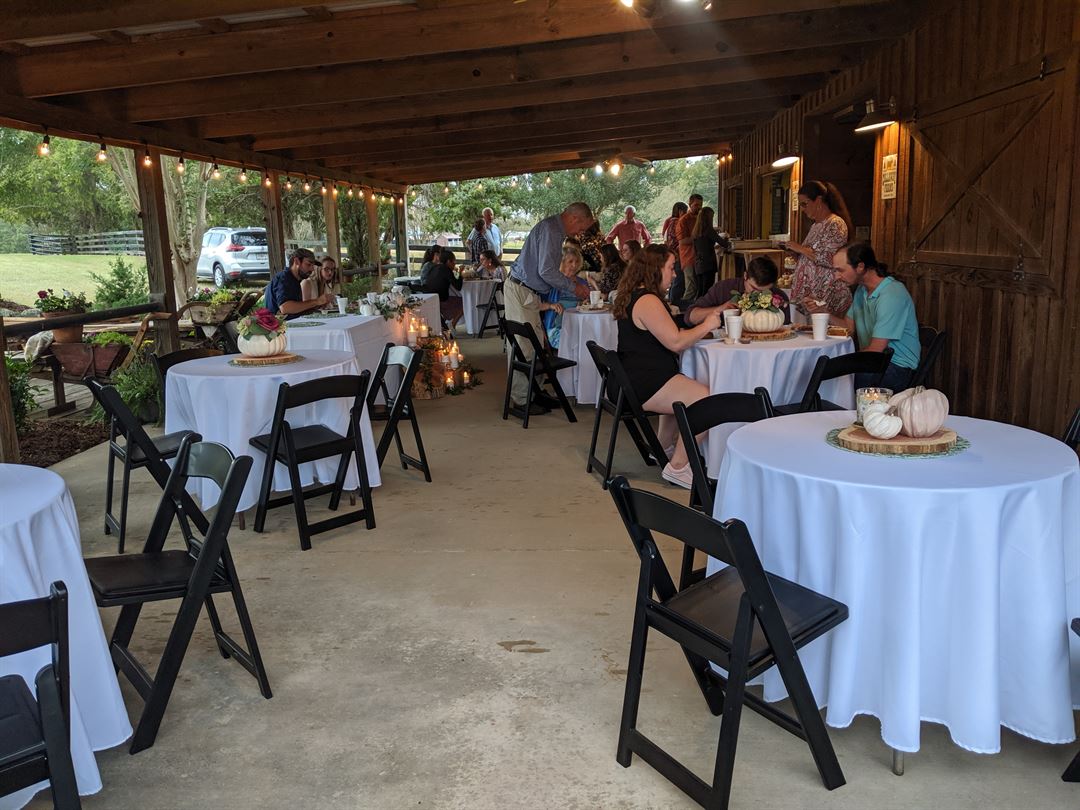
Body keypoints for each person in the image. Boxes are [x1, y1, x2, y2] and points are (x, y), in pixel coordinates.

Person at [613, 244, 721, 488]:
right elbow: (676, 342)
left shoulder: (637, 294)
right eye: (671, 268)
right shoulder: (648, 300)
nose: (674, 274)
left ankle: (661, 447)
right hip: (641, 382)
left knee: (682, 387)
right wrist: (707, 325)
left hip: (632, 377)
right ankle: (679, 466)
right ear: (655, 268)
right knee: (706, 399)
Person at [504, 202, 594, 414]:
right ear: (574, 218)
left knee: (536, 344)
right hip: (522, 290)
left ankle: (535, 392)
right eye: (581, 228)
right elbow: (546, 271)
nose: (580, 233)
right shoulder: (552, 230)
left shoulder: (553, 229)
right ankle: (522, 399)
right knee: (524, 347)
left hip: (528, 291)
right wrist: (573, 287)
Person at [810, 242, 921, 391]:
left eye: (840, 270)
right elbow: (848, 328)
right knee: (823, 374)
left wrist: (838, 363)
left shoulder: (891, 294)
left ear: (860, 267)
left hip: (897, 367)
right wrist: (823, 312)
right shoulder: (862, 290)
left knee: (833, 378)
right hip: (873, 362)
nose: (836, 276)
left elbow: (876, 349)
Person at [787, 180, 853, 317]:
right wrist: (797, 255)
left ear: (818, 200)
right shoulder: (815, 226)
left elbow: (830, 258)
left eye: (804, 204)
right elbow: (810, 257)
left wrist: (800, 249)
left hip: (826, 294)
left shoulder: (835, 224)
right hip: (810, 298)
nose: (802, 209)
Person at [685, 256, 790, 325]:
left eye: (764, 292)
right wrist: (720, 309)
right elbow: (690, 317)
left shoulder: (779, 298)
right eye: (753, 288)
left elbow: (785, 331)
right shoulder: (724, 288)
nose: (757, 295)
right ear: (745, 276)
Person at [264, 247, 332, 319]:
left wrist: (318, 305)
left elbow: (296, 309)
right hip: (280, 325)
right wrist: (316, 301)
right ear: (296, 261)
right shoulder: (284, 278)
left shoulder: (295, 279)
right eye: (309, 264)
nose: (312, 269)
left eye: (313, 265)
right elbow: (285, 308)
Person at [543, 243, 586, 349]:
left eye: (576, 261)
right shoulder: (552, 283)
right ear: (561, 262)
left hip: (579, 327)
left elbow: (589, 302)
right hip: (556, 328)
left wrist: (585, 303)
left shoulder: (582, 282)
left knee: (590, 340)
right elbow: (536, 305)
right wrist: (551, 305)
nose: (574, 265)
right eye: (570, 261)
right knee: (578, 344)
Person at [422, 248, 464, 328]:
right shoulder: (446, 269)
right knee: (465, 303)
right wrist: (460, 273)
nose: (454, 264)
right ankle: (452, 325)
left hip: (429, 298)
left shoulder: (434, 267)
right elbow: (458, 286)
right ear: (448, 261)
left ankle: (445, 324)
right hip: (441, 300)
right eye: (453, 262)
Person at [690, 207, 727, 296]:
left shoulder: (696, 231)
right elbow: (723, 243)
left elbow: (700, 247)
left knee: (700, 291)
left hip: (698, 263)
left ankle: (696, 304)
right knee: (707, 291)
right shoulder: (709, 230)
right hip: (708, 263)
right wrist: (726, 237)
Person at [676, 194, 704, 303]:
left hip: (699, 257)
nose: (699, 207)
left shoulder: (701, 218)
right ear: (690, 204)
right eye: (696, 205)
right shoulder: (684, 220)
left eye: (700, 205)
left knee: (698, 286)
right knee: (691, 286)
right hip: (688, 257)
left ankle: (692, 307)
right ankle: (684, 306)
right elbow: (682, 241)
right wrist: (697, 238)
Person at [662, 201, 689, 304]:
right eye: (685, 211)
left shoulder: (670, 221)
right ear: (680, 211)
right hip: (677, 254)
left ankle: (672, 299)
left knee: (674, 280)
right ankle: (675, 302)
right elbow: (680, 239)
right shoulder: (678, 222)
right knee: (679, 279)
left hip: (672, 252)